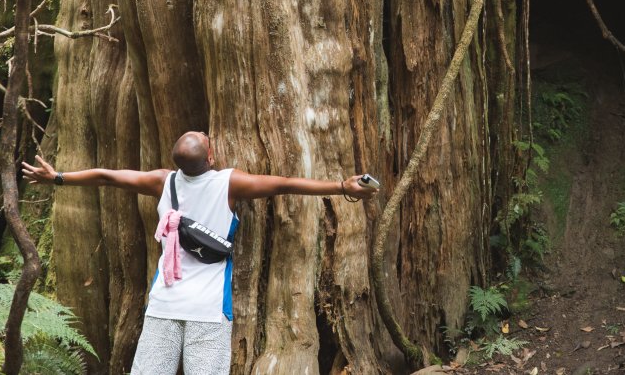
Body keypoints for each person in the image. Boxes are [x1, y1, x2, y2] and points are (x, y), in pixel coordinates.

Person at [21, 130, 375, 374]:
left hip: (164, 304)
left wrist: (60, 178)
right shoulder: (230, 182)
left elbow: (109, 176)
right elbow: (285, 184)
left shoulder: (163, 181)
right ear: (211, 156)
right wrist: (342, 186)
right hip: (208, 310)